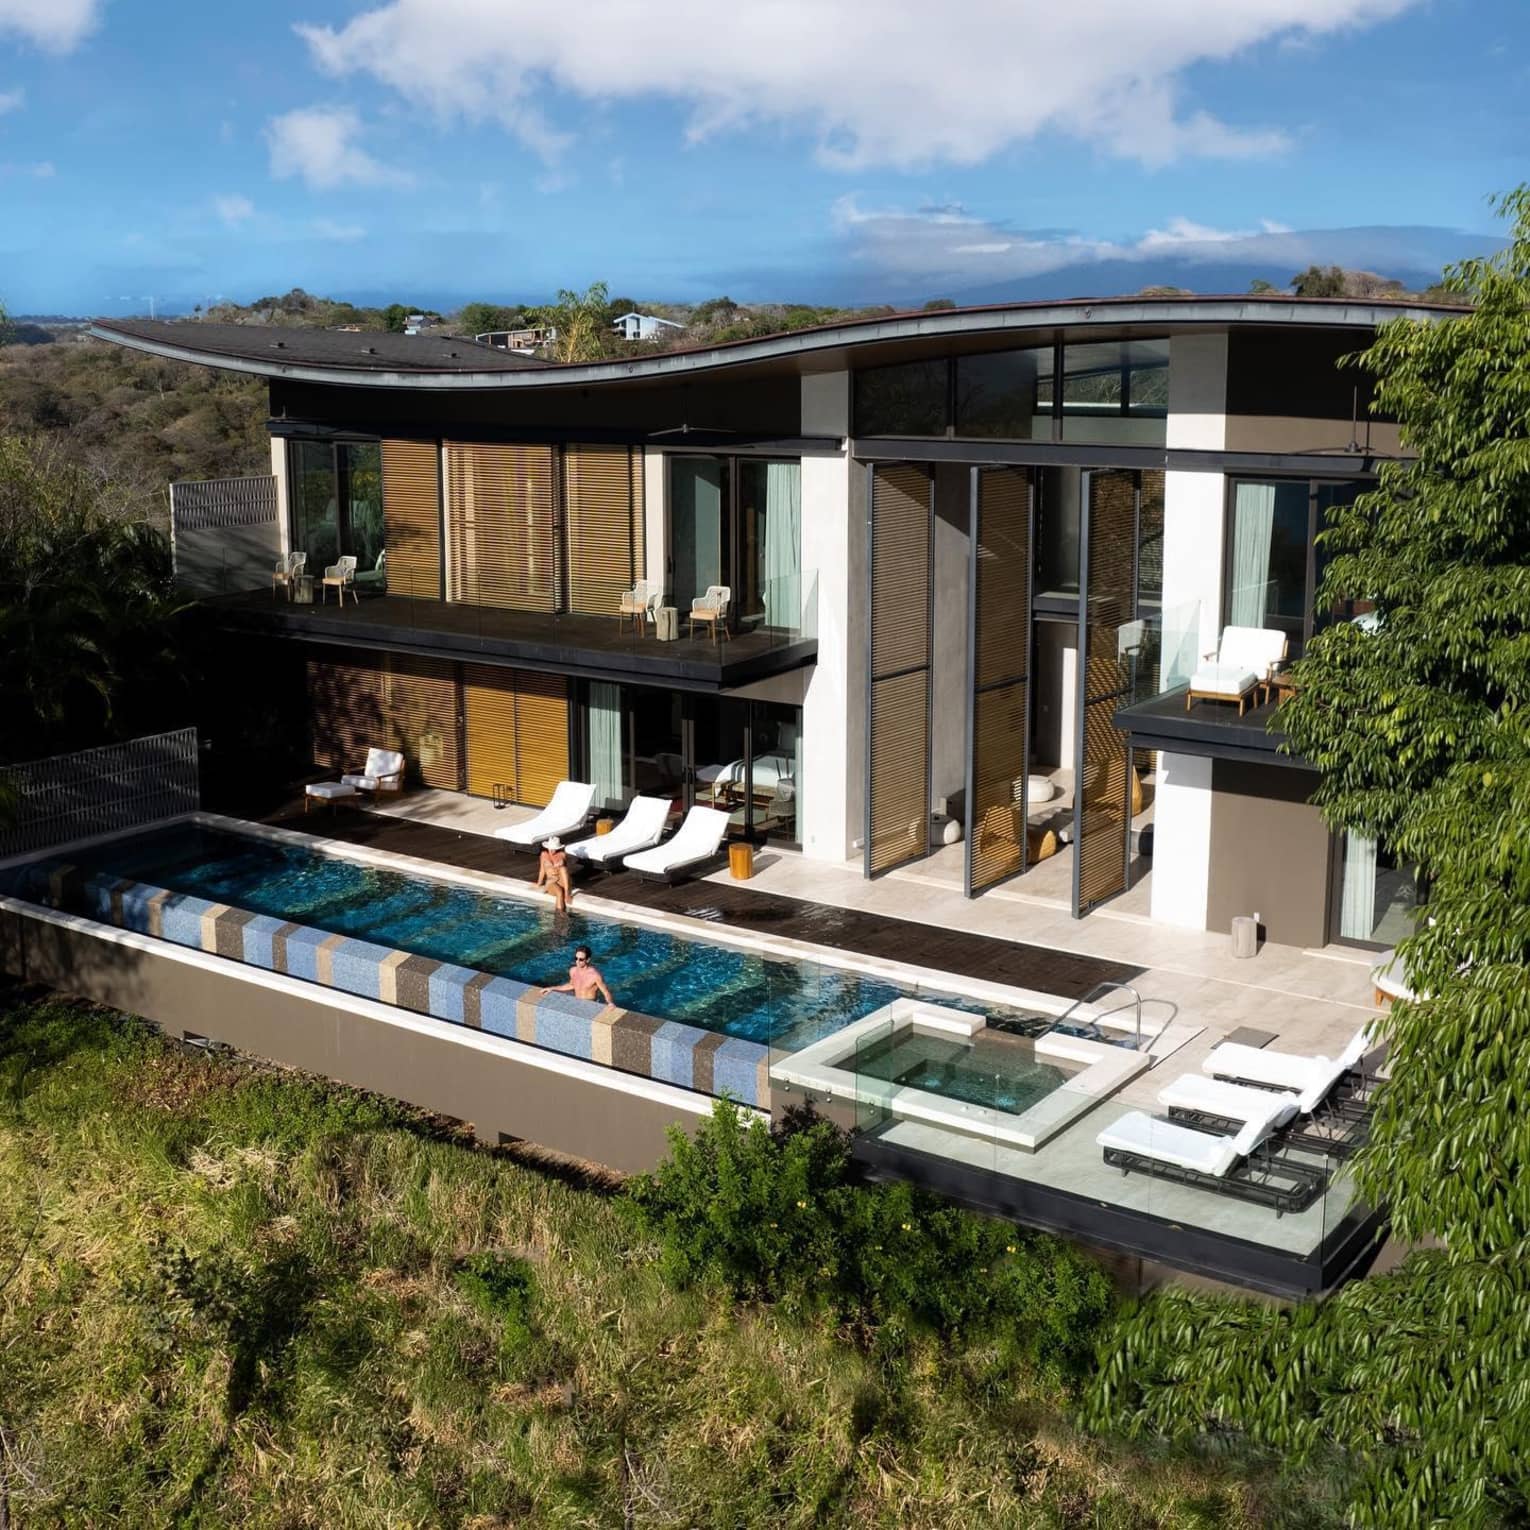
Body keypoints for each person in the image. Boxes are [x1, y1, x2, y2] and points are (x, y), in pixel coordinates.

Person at [541, 945, 612, 1005]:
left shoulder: (595, 976)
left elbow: (606, 992)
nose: (577, 961)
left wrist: (610, 1003)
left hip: (590, 1004)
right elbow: (571, 985)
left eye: (581, 959)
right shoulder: (573, 970)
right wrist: (551, 988)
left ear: (587, 960)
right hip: (577, 1001)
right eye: (576, 958)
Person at [535, 835, 574, 913]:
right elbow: (542, 870)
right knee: (559, 892)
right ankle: (560, 916)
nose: (552, 851)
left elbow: (563, 867)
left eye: (554, 849)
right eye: (551, 848)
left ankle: (566, 894)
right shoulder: (543, 855)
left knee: (563, 869)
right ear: (547, 847)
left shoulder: (561, 855)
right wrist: (539, 883)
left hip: (561, 881)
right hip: (551, 881)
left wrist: (567, 895)